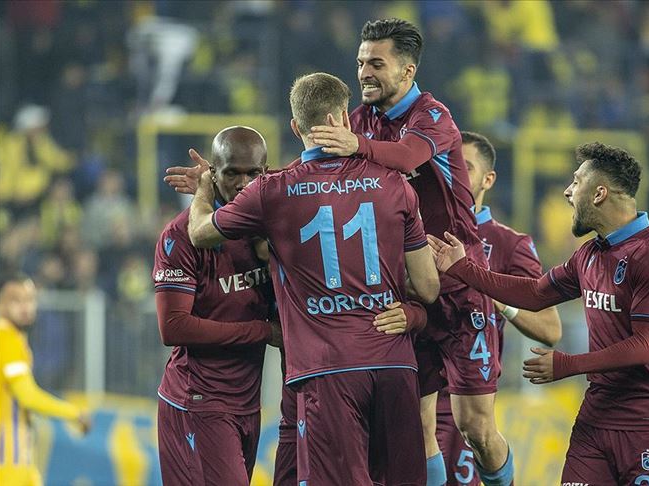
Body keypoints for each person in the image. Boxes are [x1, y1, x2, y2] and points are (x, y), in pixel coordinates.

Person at [188, 72, 440, 485]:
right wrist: (407, 311)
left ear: (295, 127)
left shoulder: (272, 192)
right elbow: (428, 288)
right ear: (344, 118)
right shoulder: (395, 184)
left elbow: (200, 233)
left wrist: (204, 188)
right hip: (394, 363)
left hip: (328, 370)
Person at [309, 19, 513, 485]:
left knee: (475, 427)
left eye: (376, 64)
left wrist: (355, 145)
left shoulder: (432, 116)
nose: (364, 72)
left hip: (459, 286)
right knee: (416, 428)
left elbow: (405, 157)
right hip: (407, 290)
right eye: (361, 62)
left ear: (407, 71)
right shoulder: (360, 120)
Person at [429, 142, 649, 485]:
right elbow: (535, 294)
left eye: (576, 182)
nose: (568, 192)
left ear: (599, 193)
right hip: (596, 420)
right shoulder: (589, 254)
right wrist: (464, 269)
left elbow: (646, 346)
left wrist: (568, 365)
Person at [153, 126, 281, 486]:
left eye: (252, 173)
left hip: (247, 402)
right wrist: (263, 331)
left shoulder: (269, 228)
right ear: (213, 174)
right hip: (198, 401)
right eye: (231, 173)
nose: (243, 184)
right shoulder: (180, 236)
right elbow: (173, 326)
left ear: (266, 172)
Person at [437, 132, 563, 485]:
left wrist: (495, 296)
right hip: (414, 386)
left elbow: (550, 328)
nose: (455, 173)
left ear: (488, 180)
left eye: (466, 167)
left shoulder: (509, 244)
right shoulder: (415, 229)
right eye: (448, 164)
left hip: (467, 393)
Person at [0, 273, 90, 486]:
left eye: (29, 299)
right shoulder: (5, 338)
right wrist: (73, 413)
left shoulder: (13, 338)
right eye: (16, 300)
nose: (25, 307)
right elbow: (28, 397)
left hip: (19, 457)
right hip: (5, 458)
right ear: (0, 304)